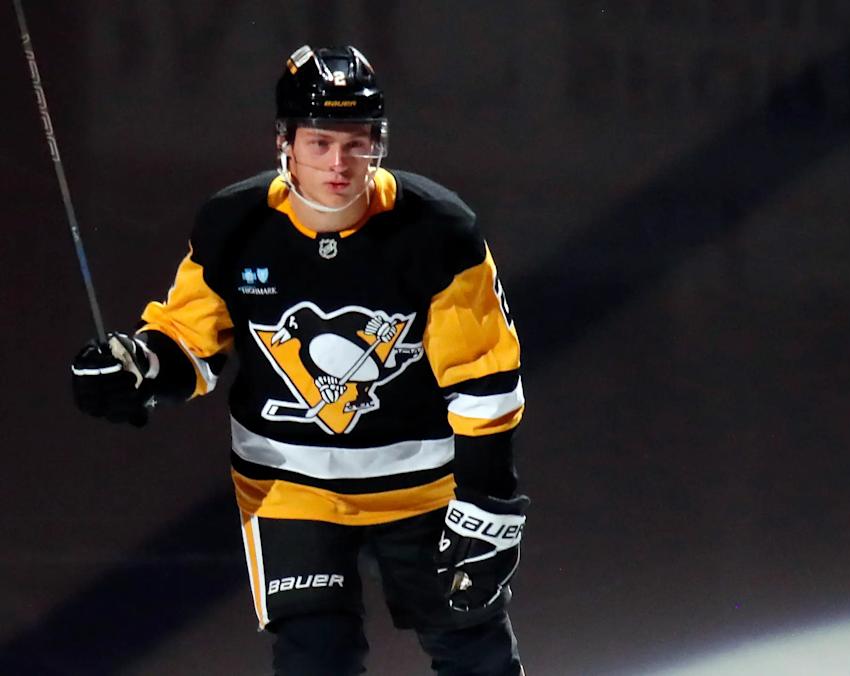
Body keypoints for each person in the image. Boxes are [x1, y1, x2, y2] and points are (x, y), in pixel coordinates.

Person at [71, 45, 528, 676]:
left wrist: (487, 500)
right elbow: (190, 345)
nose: (339, 163)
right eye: (319, 142)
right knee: (316, 661)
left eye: (356, 141)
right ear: (284, 142)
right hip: (289, 487)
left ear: (380, 141)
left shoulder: (439, 230)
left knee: (476, 655)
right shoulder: (234, 224)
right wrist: (139, 370)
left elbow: (484, 379)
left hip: (423, 487)